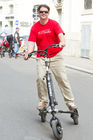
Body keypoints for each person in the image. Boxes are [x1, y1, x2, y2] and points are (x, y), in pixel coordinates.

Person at [24, 4, 78, 112]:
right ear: (38, 13)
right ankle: (43, 101)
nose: (43, 13)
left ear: (48, 13)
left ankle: (70, 102)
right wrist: (28, 52)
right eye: (41, 12)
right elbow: (31, 42)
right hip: (42, 56)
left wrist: (62, 42)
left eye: (45, 12)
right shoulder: (35, 27)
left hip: (56, 56)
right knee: (40, 78)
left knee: (62, 79)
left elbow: (60, 35)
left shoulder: (54, 24)